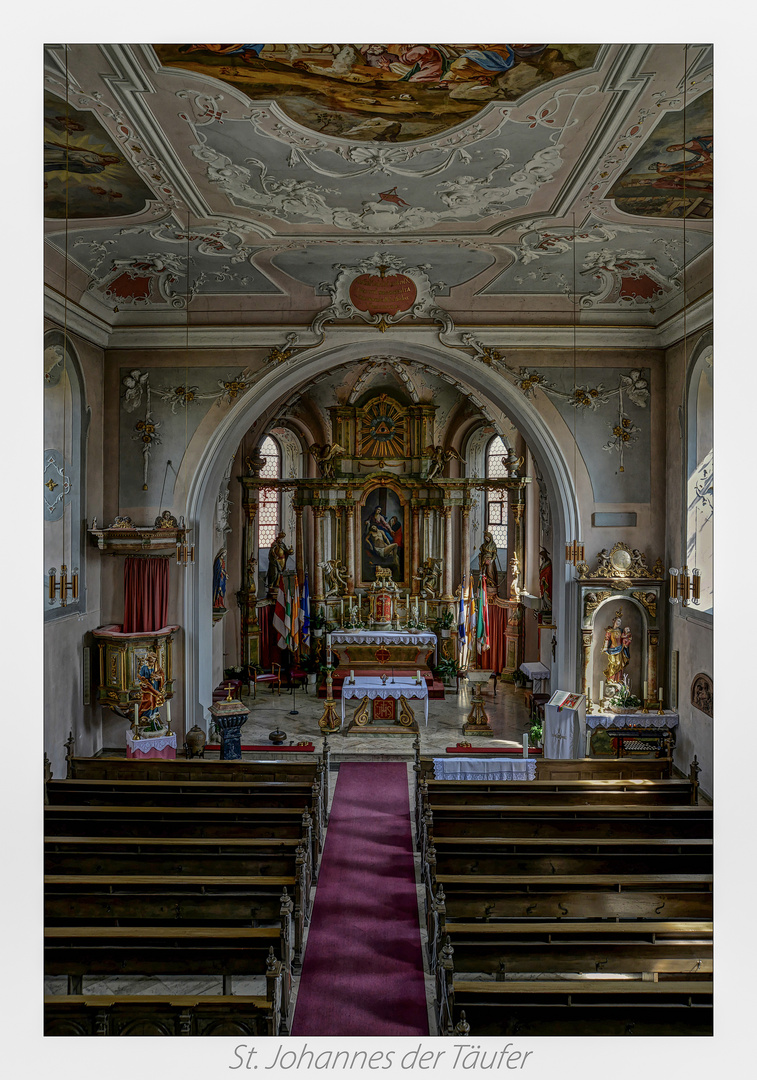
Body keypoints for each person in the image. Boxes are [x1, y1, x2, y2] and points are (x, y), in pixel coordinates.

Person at [602, 611, 630, 684]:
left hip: (620, 649)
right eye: (618, 621)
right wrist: (605, 647)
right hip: (612, 650)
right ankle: (611, 680)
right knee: (613, 664)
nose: (619, 623)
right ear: (614, 621)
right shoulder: (610, 631)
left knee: (620, 665)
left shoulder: (621, 631)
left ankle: (619, 680)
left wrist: (626, 643)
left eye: (620, 622)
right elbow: (607, 639)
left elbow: (625, 638)